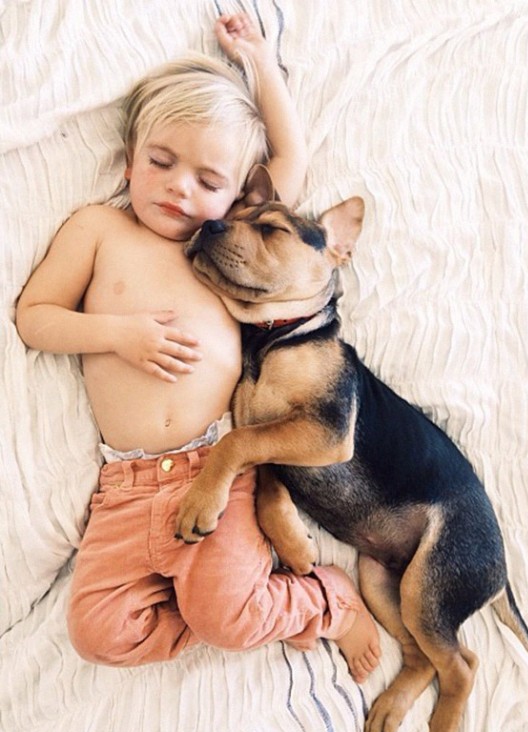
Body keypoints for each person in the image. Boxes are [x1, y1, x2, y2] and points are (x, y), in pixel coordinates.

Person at [16, 13, 381, 682]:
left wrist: (260, 64)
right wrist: (118, 334)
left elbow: (289, 161)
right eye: (161, 162)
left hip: (218, 469)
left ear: (236, 196)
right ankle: (238, 607)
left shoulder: (226, 247)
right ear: (129, 159)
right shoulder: (98, 229)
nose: (181, 187)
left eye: (209, 182)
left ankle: (319, 602)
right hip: (124, 486)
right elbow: (34, 317)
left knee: (225, 619)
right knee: (96, 634)